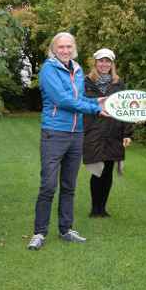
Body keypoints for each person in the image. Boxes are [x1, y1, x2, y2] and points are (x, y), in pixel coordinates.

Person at [27, 32, 106, 251]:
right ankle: (39, 233)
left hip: (76, 134)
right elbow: (62, 100)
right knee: (48, 185)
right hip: (54, 133)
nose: (65, 50)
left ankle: (66, 229)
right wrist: (96, 109)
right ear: (54, 48)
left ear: (74, 48)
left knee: (69, 186)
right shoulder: (49, 69)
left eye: (69, 46)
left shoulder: (77, 69)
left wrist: (96, 101)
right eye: (61, 47)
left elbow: (77, 99)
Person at [83, 48, 133, 218]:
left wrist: (127, 133)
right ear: (95, 63)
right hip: (94, 132)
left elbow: (126, 110)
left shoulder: (119, 84)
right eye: (101, 61)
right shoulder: (85, 82)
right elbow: (79, 105)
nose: (104, 64)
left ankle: (102, 208)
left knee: (108, 171)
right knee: (97, 170)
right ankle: (94, 208)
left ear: (112, 64)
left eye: (107, 61)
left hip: (114, 132)